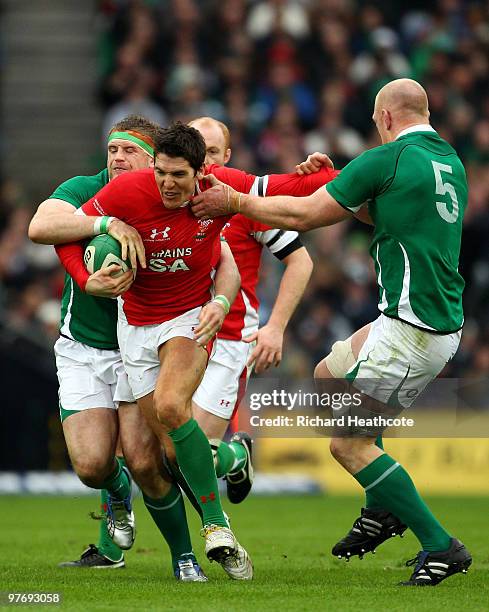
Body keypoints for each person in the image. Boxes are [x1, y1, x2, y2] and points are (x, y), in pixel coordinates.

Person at [190, 79, 472, 586]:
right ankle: (381, 507)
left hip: (413, 328)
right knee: (328, 373)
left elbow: (305, 215)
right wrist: (336, 179)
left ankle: (439, 545)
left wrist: (235, 201)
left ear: (384, 117)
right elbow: (377, 207)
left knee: (346, 443)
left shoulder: (383, 158)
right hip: (421, 318)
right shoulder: (449, 160)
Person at [28, 116, 216, 581]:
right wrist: (105, 223)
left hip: (144, 347)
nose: (116, 158)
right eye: (111, 149)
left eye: (128, 151)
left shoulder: (177, 197)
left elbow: (223, 252)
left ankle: (186, 555)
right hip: (84, 347)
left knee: (148, 460)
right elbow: (41, 225)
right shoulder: (86, 188)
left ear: (155, 162)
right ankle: (115, 495)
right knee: (93, 465)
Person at [188, 117, 315, 503]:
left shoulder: (246, 205)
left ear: (227, 156)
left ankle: (233, 456)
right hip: (175, 337)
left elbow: (301, 262)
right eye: (197, 152)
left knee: (189, 457)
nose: (205, 162)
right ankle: (235, 456)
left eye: (213, 153)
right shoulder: (168, 198)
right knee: (157, 453)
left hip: (228, 341)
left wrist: (274, 328)